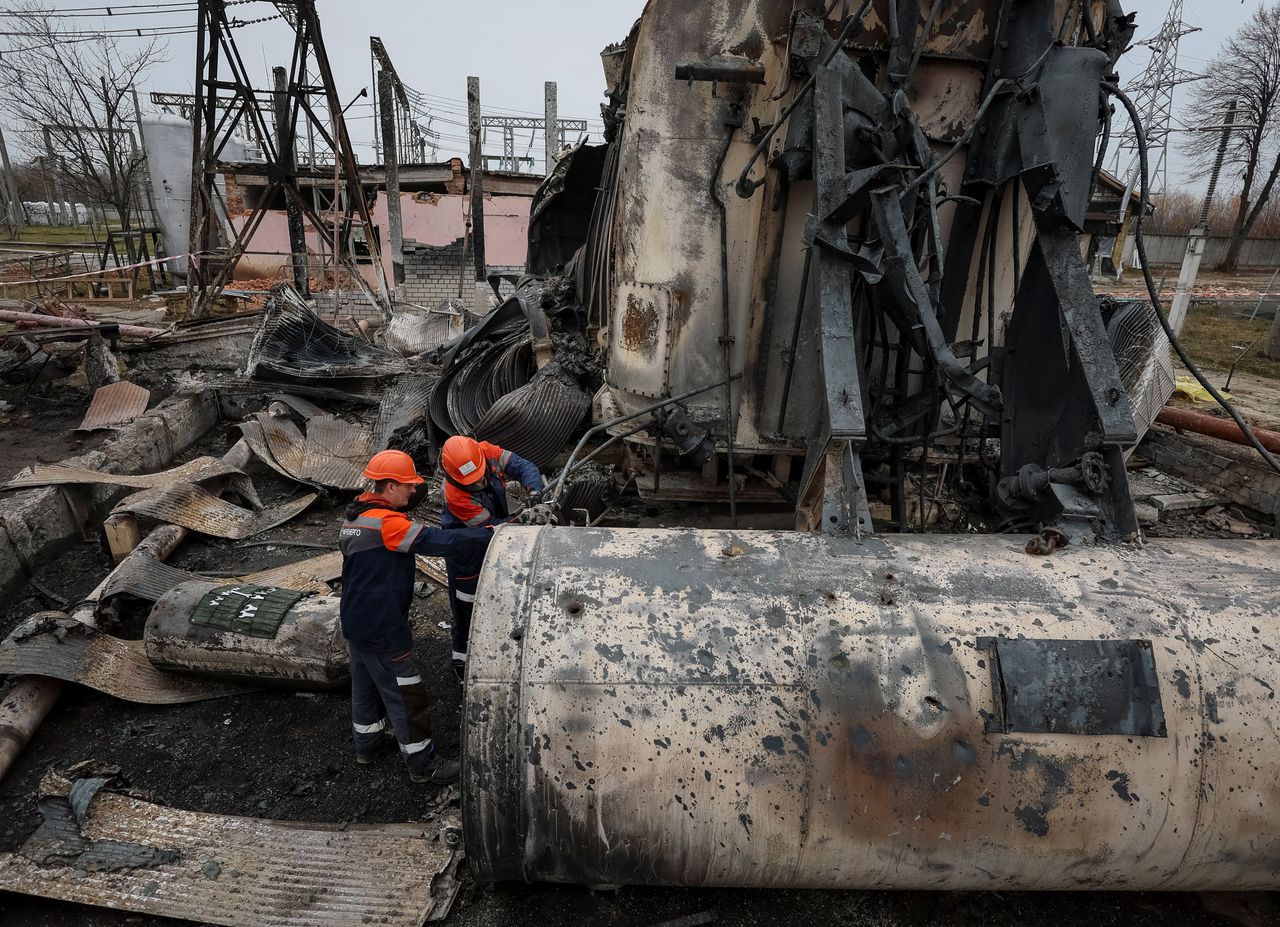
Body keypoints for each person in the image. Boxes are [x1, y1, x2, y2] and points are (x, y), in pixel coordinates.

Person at [339, 449, 490, 784]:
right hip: (382, 625)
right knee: (405, 691)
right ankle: (423, 764)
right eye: (407, 486)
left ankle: (368, 744)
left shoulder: (355, 517)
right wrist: (492, 534)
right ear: (390, 486)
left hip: (355, 619)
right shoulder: (388, 525)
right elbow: (440, 541)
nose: (412, 491)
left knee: (365, 685)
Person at [439, 435, 545, 680]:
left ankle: (499, 644)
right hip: (467, 549)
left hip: (493, 530)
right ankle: (462, 660)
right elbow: (492, 528)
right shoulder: (456, 496)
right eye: (472, 483)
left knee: (500, 592)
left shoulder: (486, 452)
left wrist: (535, 491)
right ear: (453, 476)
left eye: (480, 478)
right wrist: (524, 519)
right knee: (467, 603)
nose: (479, 484)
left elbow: (523, 466)